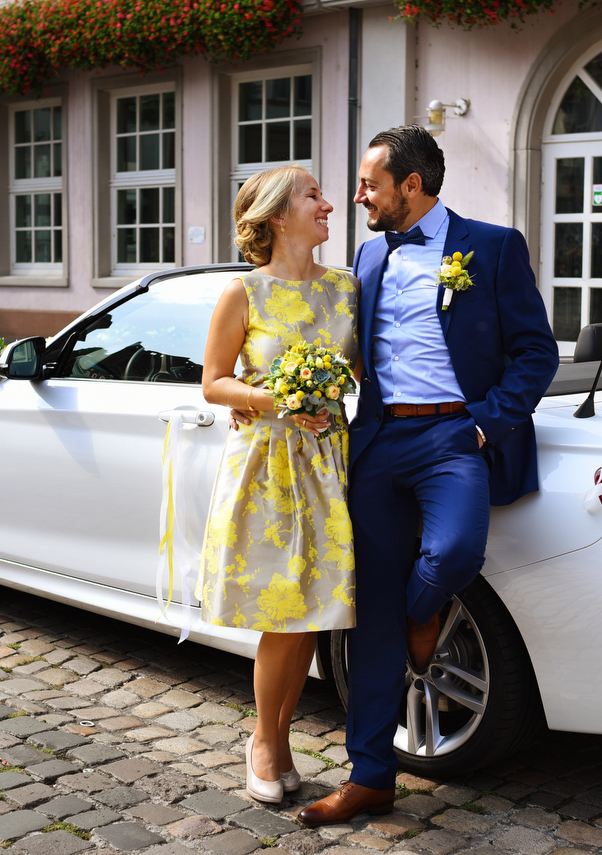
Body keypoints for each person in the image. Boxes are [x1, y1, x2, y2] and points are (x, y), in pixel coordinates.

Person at [297, 126, 560, 826]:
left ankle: (426, 610)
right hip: (379, 437)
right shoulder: (368, 253)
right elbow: (359, 350)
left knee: (452, 553)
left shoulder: (494, 247)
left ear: (410, 186)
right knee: (371, 614)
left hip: (453, 434)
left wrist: (485, 421)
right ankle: (370, 776)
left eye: (369, 185)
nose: (359, 196)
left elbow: (536, 353)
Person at [199, 165, 359, 805]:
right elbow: (214, 382)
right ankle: (266, 742)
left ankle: (276, 739)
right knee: (285, 616)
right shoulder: (244, 293)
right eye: (312, 195)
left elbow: (369, 369)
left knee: (315, 613)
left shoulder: (347, 288)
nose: (327, 204)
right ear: (275, 216)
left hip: (331, 462)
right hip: (269, 469)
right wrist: (274, 398)